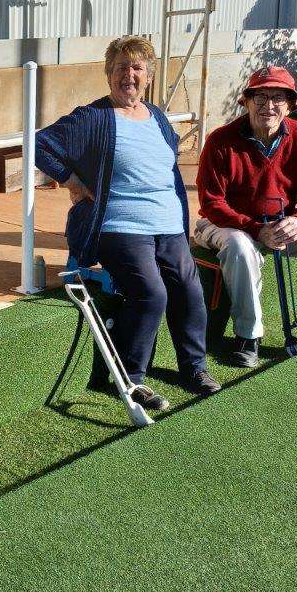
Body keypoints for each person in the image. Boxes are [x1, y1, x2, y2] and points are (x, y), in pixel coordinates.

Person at [36, 35, 222, 412]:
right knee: (151, 294)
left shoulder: (156, 116)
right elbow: (40, 144)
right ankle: (130, 378)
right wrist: (72, 181)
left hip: (167, 223)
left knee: (189, 290)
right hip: (119, 224)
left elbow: (165, 169)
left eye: (137, 68)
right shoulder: (93, 117)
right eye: (121, 67)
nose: (129, 75)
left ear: (148, 76)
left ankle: (194, 368)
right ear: (108, 74)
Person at [195, 65, 297, 366]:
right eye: (260, 96)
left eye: (278, 98)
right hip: (226, 224)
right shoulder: (221, 140)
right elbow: (212, 202)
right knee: (241, 247)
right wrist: (256, 229)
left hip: (282, 224)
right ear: (246, 101)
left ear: (291, 105)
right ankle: (248, 336)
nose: (268, 106)